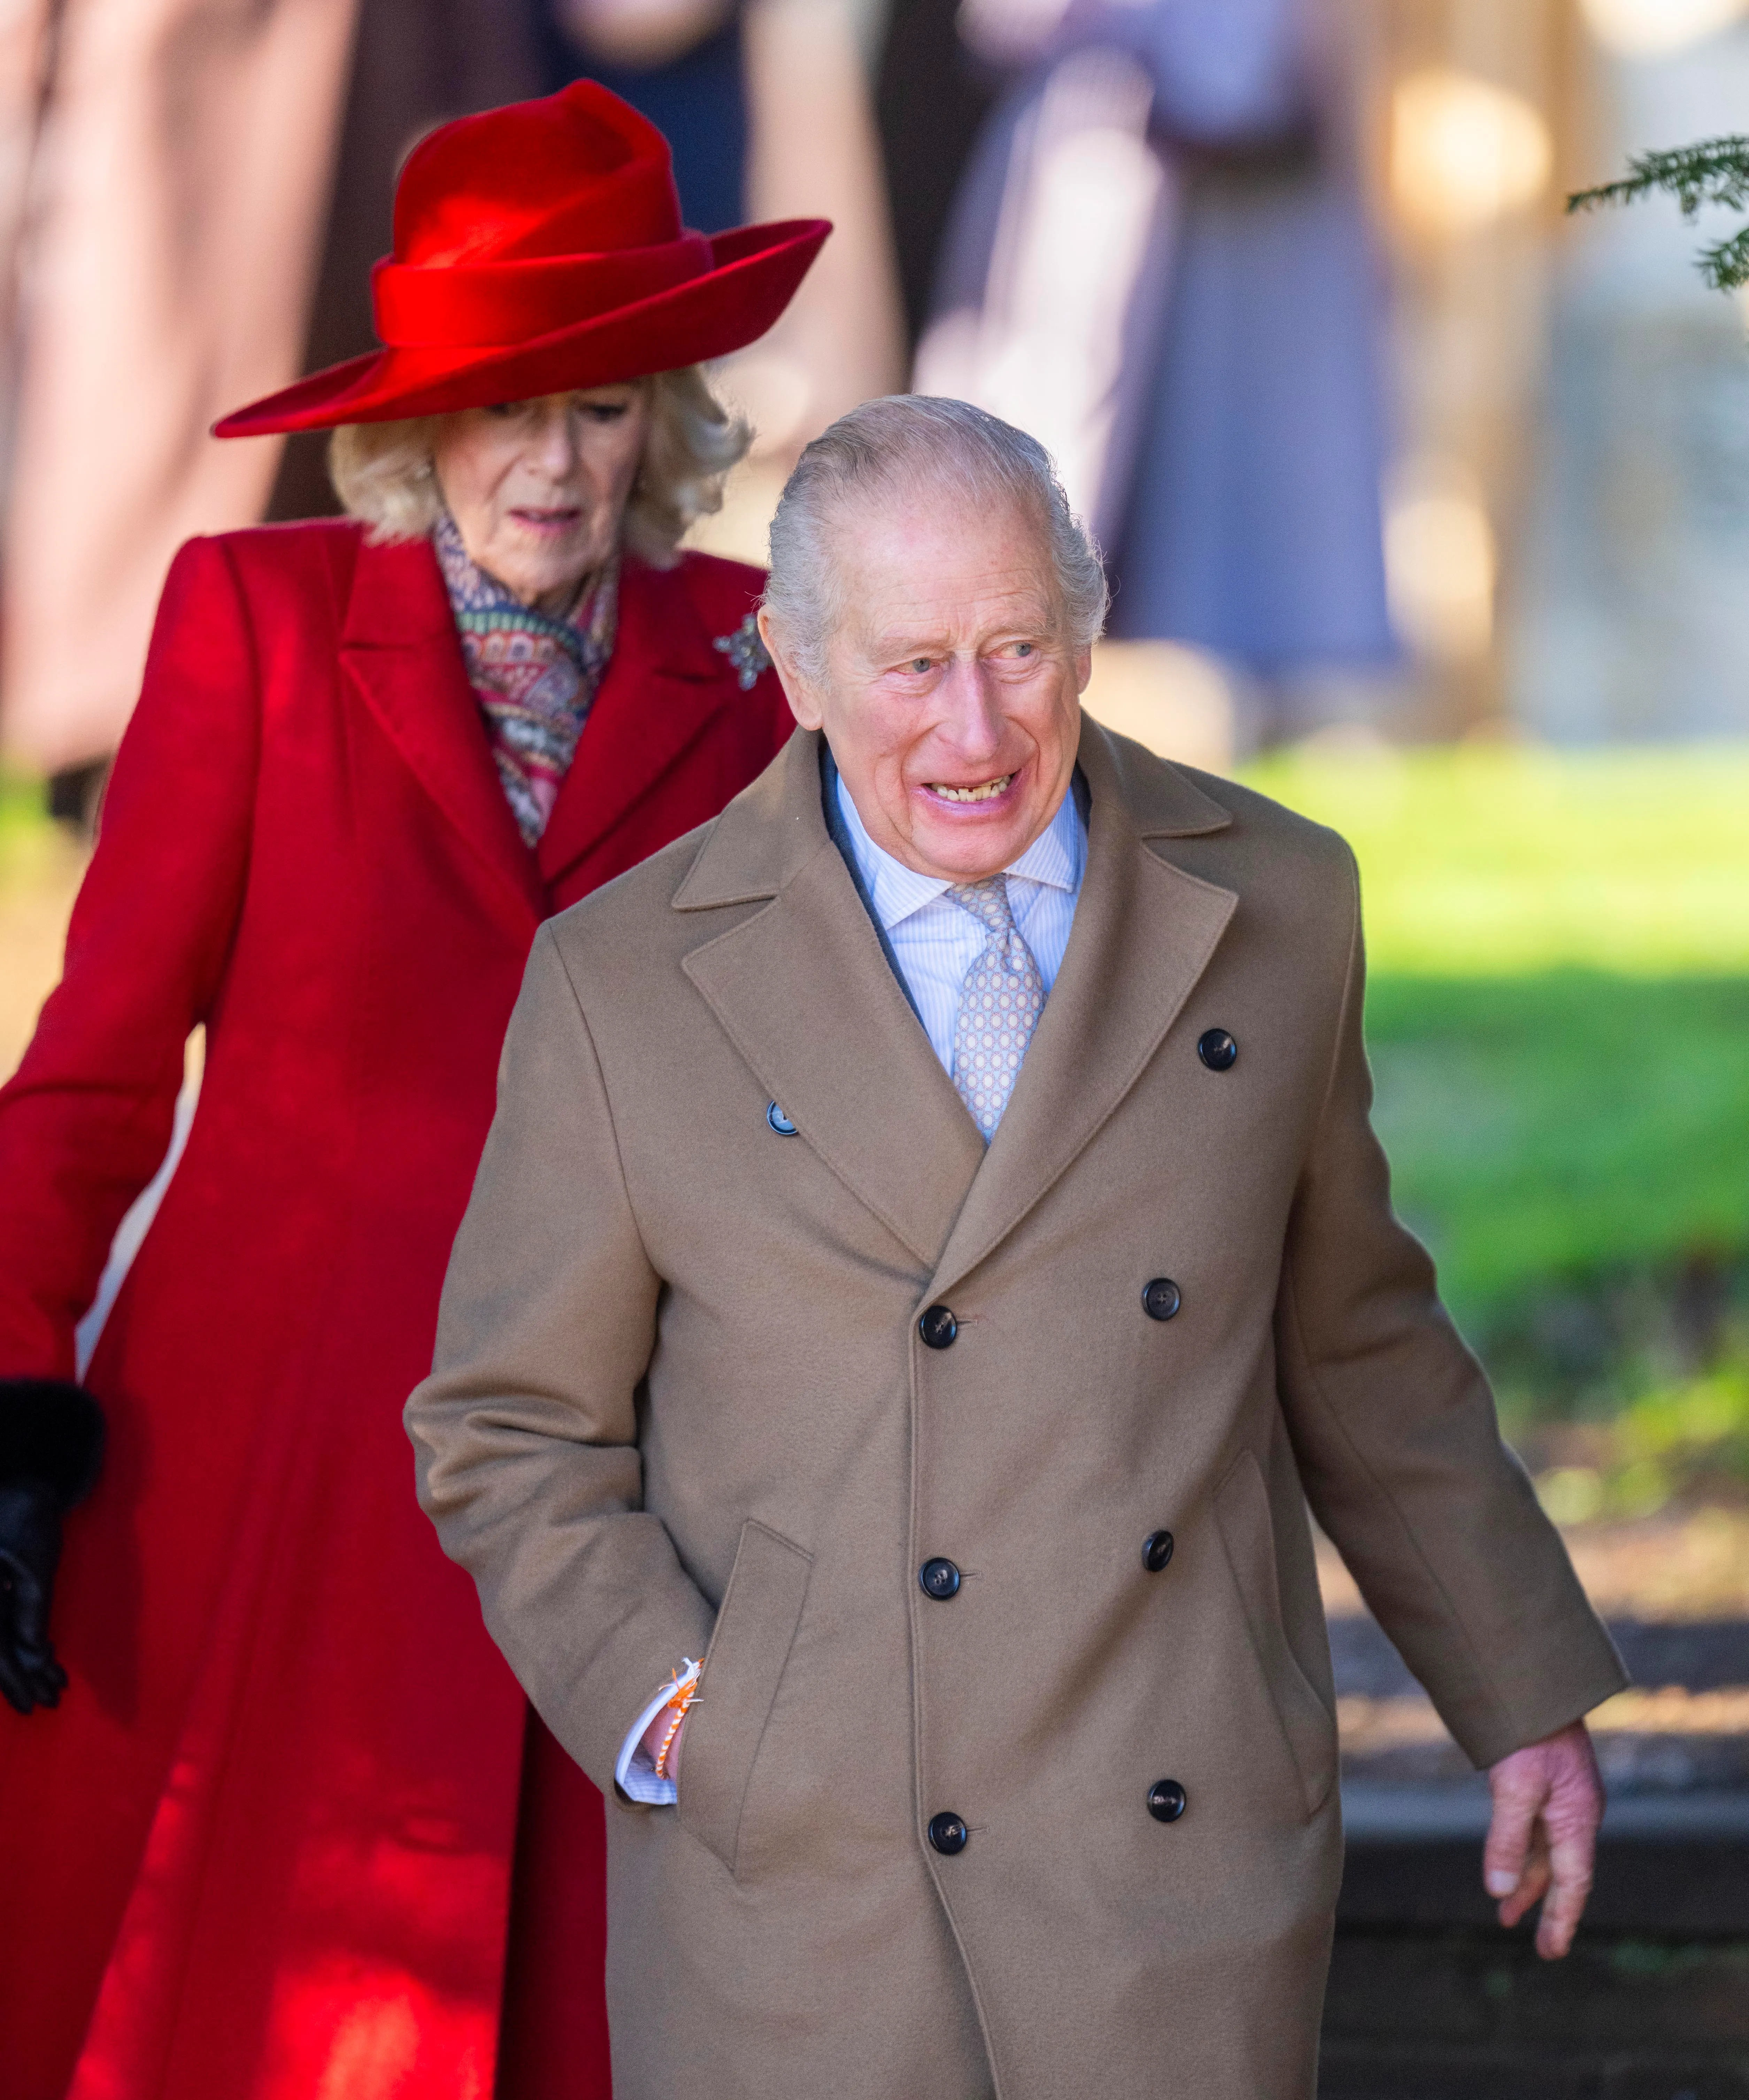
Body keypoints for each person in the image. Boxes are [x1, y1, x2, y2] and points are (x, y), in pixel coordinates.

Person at [407, 395, 1627, 2099]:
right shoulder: (623, 986)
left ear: (1085, 626)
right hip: (804, 1902)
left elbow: (1359, 1343)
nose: (976, 726)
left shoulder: (1272, 903)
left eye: (1020, 648)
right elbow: (509, 1430)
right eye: (912, 665)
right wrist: (687, 1711)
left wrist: (1523, 1697)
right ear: (797, 666)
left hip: (1171, 1864)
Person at [0, 81, 825, 2100]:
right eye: (500, 404)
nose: (550, 464)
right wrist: (12, 1387)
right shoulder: (253, 630)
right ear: (411, 422)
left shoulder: (752, 665)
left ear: (666, 427)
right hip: (274, 1436)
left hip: (612, 1452)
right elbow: (94, 1074)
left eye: (604, 404)